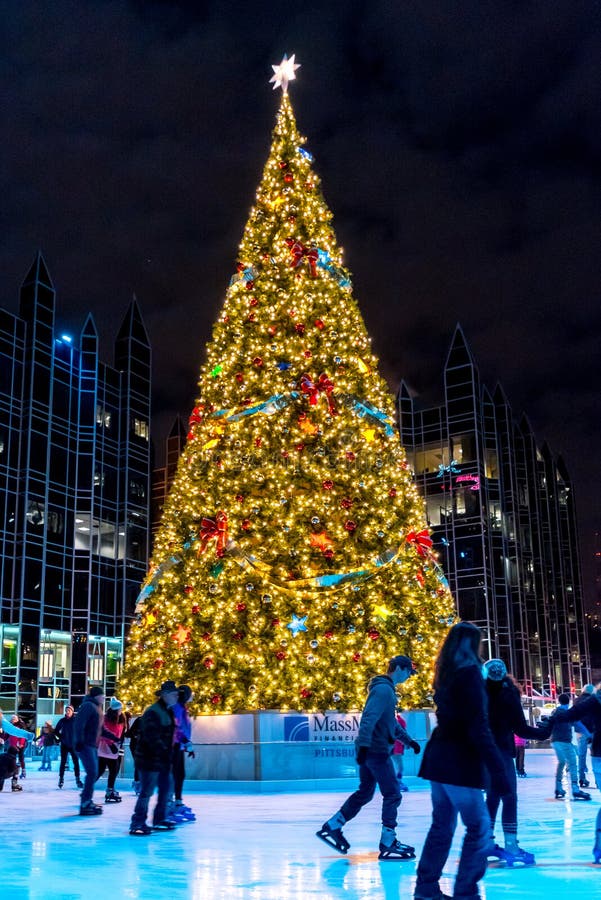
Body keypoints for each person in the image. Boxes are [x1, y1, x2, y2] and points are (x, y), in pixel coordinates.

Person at [414, 622, 510, 900]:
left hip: (439, 759)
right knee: (479, 828)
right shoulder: (468, 674)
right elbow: (478, 725)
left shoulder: (446, 675)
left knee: (442, 826)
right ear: (473, 644)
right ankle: (466, 891)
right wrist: (498, 768)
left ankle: (426, 888)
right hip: (458, 763)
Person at [317, 655, 421, 860]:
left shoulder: (386, 690)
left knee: (365, 792)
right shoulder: (383, 690)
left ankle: (334, 825)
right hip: (376, 750)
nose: (409, 676)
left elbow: (390, 722)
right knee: (393, 794)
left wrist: (409, 741)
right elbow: (368, 719)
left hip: (371, 749)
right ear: (399, 668)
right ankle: (388, 841)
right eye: (409, 672)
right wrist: (364, 746)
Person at [481, 659, 551, 866]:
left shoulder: (478, 694)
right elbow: (520, 728)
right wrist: (544, 732)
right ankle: (511, 845)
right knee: (509, 797)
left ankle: (486, 842)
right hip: (501, 753)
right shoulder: (508, 694)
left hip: (484, 753)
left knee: (492, 797)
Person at [551, 685, 601, 862]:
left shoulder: (594, 699)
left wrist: (554, 717)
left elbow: (571, 716)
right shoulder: (593, 700)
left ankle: (599, 846)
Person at [129, 680, 179, 836]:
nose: (176, 696)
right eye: (173, 694)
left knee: (166, 789)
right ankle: (137, 822)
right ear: (165, 695)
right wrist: (163, 752)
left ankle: (159, 819)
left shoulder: (168, 711)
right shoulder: (153, 711)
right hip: (149, 759)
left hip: (162, 758)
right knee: (147, 791)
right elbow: (151, 736)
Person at [550, 693, 591, 801]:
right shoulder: (568, 713)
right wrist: (588, 733)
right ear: (569, 702)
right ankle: (575, 788)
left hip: (555, 741)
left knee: (562, 762)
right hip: (565, 742)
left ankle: (559, 788)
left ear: (559, 701)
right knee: (572, 763)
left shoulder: (555, 712)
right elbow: (578, 724)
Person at [73, 686, 105, 815]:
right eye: (102, 696)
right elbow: (79, 724)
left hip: (91, 745)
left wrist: (114, 737)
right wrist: (79, 741)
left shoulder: (97, 708)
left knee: (93, 772)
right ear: (96, 696)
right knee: (92, 772)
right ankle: (86, 802)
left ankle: (87, 799)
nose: (104, 698)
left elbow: (100, 728)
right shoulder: (88, 706)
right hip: (85, 744)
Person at [170, 684, 196, 822]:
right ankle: (169, 803)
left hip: (179, 746)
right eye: (190, 694)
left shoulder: (182, 708)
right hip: (173, 746)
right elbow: (177, 728)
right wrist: (186, 742)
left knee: (179, 774)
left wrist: (186, 744)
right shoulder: (177, 708)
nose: (191, 696)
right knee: (174, 774)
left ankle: (177, 801)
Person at [97, 697, 126, 803]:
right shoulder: (106, 718)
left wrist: (120, 741)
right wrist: (111, 745)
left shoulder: (122, 717)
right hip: (105, 747)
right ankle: (91, 788)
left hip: (115, 747)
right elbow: (103, 732)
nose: (121, 711)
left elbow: (122, 731)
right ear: (114, 710)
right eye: (119, 709)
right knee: (104, 769)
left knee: (113, 769)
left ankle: (110, 789)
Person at [55, 706, 83, 789]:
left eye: (69, 710)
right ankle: (61, 779)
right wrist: (60, 738)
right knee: (63, 762)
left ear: (72, 712)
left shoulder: (76, 720)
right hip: (64, 745)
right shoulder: (62, 721)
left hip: (73, 745)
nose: (67, 712)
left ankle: (78, 779)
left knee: (76, 762)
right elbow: (56, 731)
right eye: (66, 710)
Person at [573, 684, 595, 788]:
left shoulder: (576, 701)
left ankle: (582, 778)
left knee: (581, 756)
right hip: (593, 731)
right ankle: (598, 779)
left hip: (580, 732)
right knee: (596, 756)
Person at [8, 715, 29, 780]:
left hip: (20, 745)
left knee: (21, 758)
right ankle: (12, 771)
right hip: (12, 745)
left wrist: (21, 743)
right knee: (11, 759)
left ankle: (23, 771)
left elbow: (23, 735)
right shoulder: (10, 726)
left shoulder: (21, 725)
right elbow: (6, 735)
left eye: (14, 718)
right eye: (12, 718)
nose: (13, 719)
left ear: (17, 719)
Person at [392, 710, 409, 791]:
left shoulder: (399, 721)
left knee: (398, 767)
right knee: (399, 767)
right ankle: (398, 783)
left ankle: (397, 782)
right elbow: (399, 735)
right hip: (395, 748)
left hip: (396, 747)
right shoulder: (398, 721)